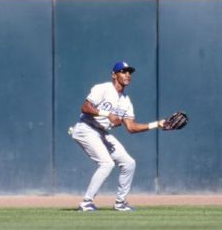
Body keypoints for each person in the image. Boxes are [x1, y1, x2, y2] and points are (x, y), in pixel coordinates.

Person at [70, 61, 164, 211]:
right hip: (85, 128)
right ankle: (86, 202)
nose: (127, 74)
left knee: (129, 163)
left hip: (101, 132)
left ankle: (120, 203)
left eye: (129, 72)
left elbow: (131, 127)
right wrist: (107, 114)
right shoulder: (102, 88)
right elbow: (85, 107)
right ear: (114, 74)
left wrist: (157, 124)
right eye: (123, 71)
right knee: (106, 163)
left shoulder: (126, 101)